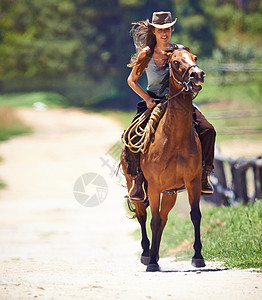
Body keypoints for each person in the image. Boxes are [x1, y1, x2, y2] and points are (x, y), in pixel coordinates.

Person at [125, 11, 216, 200]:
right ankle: (138, 181)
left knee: (208, 129)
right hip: (154, 101)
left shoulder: (180, 51)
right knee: (133, 137)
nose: (164, 33)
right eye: (160, 30)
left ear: (172, 29)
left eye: (167, 29)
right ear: (154, 31)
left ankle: (204, 174)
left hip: (180, 102)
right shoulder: (147, 54)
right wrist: (147, 99)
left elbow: (188, 72)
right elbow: (132, 80)